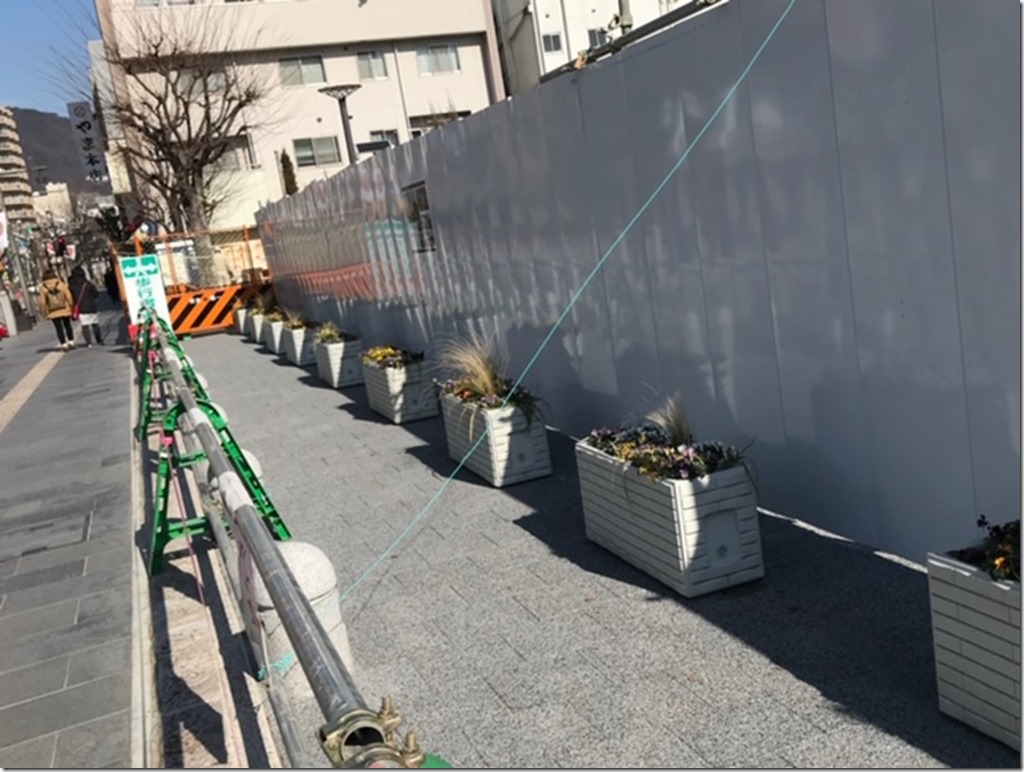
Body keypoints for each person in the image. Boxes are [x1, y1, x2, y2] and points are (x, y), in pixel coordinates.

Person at [38, 269, 76, 350]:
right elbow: (68, 296)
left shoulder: (43, 288)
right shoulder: (61, 284)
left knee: (58, 328)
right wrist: (71, 305)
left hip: (53, 311)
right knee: (67, 325)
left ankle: (63, 344)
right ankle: (71, 341)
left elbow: (42, 302)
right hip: (64, 308)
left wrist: (43, 312)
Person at [68, 266, 103, 347]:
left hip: (80, 308)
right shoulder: (88, 284)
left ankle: (89, 342)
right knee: (95, 324)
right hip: (91, 307)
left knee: (85, 325)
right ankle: (99, 339)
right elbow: (96, 294)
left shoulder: (71, 286)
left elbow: (70, 298)